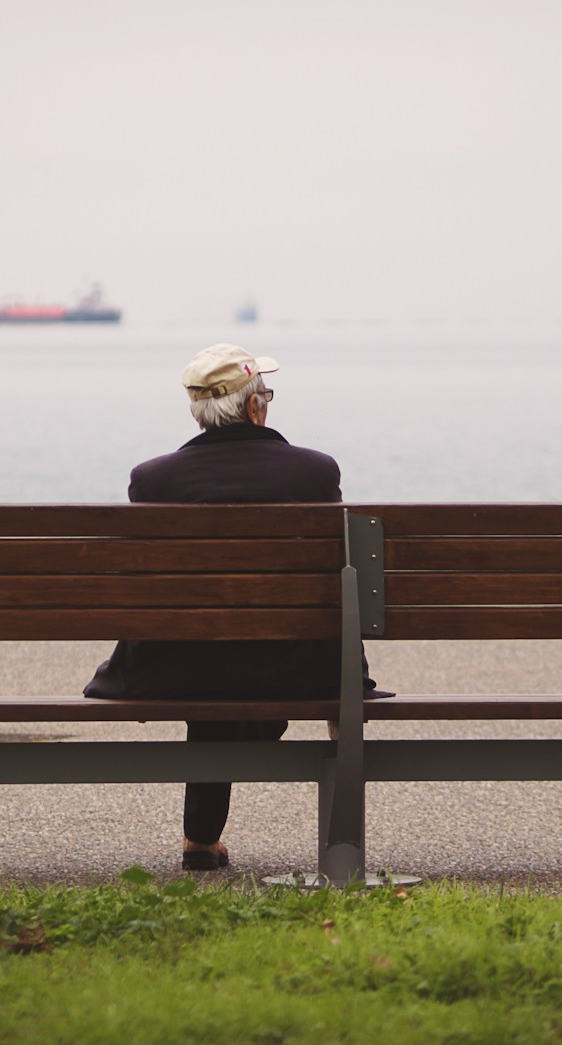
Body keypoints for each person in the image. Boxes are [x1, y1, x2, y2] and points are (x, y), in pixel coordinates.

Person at [83, 344, 385, 871]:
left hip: (178, 670)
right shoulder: (314, 473)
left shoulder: (154, 481)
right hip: (296, 671)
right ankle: (318, 846)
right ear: (254, 409)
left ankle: (201, 839)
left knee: (211, 651)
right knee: (244, 656)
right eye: (264, 393)